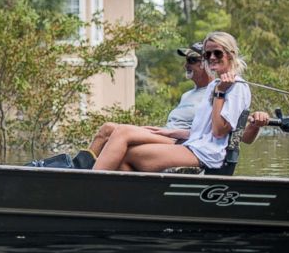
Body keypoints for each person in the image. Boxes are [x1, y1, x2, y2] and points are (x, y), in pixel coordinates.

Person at [93, 31, 251, 172]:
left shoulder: (236, 87)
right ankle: (127, 199)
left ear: (230, 54)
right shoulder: (215, 85)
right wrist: (171, 132)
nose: (211, 58)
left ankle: (87, 185)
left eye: (217, 53)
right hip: (193, 145)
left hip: (206, 154)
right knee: (120, 153)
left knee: (125, 144)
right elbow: (202, 131)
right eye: (207, 54)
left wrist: (221, 93)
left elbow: (219, 132)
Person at [74, 42, 213, 169]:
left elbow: (209, 132)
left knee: (123, 132)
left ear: (205, 63)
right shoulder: (188, 95)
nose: (186, 65)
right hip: (165, 133)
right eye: (186, 61)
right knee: (107, 128)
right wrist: (163, 130)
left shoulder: (214, 92)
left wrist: (171, 132)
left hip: (180, 142)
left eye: (191, 60)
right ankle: (77, 169)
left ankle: (90, 182)